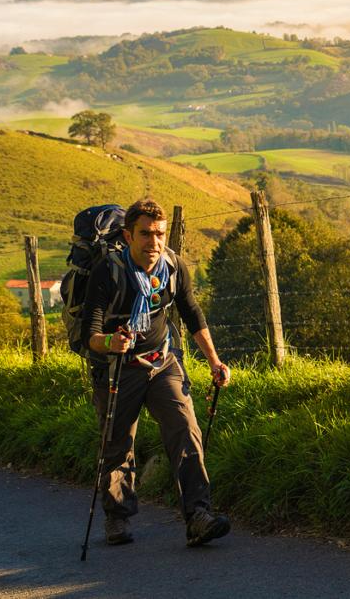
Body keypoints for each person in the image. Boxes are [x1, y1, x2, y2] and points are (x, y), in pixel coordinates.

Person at [83, 197, 231, 548]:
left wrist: (214, 361)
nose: (154, 242)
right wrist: (110, 343)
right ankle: (117, 518)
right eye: (146, 234)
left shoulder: (173, 267)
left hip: (163, 362)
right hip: (118, 368)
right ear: (128, 235)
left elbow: (192, 313)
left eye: (160, 234)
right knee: (118, 444)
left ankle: (198, 516)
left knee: (186, 432)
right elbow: (91, 333)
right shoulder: (108, 271)